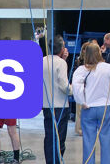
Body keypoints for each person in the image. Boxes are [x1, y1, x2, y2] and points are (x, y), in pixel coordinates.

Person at [73, 41, 110, 164]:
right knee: (107, 141)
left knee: (88, 142)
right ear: (99, 52)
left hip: (88, 108)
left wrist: (82, 101)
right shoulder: (109, 68)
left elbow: (76, 87)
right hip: (106, 108)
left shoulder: (81, 70)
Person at [42, 36, 72, 164]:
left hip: (46, 105)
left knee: (49, 137)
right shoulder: (61, 63)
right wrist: (73, 90)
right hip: (60, 106)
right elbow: (64, 85)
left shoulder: (42, 61)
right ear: (61, 48)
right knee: (59, 139)